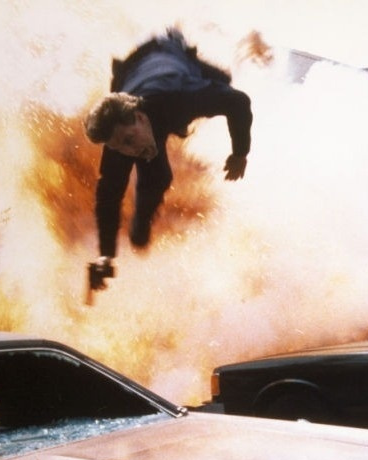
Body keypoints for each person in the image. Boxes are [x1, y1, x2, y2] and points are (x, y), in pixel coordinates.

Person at [84, 28, 253, 292]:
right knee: (157, 175)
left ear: (140, 117)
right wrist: (106, 254)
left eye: (129, 140)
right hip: (131, 71)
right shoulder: (119, 137)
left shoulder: (182, 99)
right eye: (120, 147)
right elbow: (108, 195)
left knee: (225, 81)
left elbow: (239, 102)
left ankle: (141, 223)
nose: (130, 151)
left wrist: (240, 153)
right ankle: (141, 225)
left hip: (172, 57)